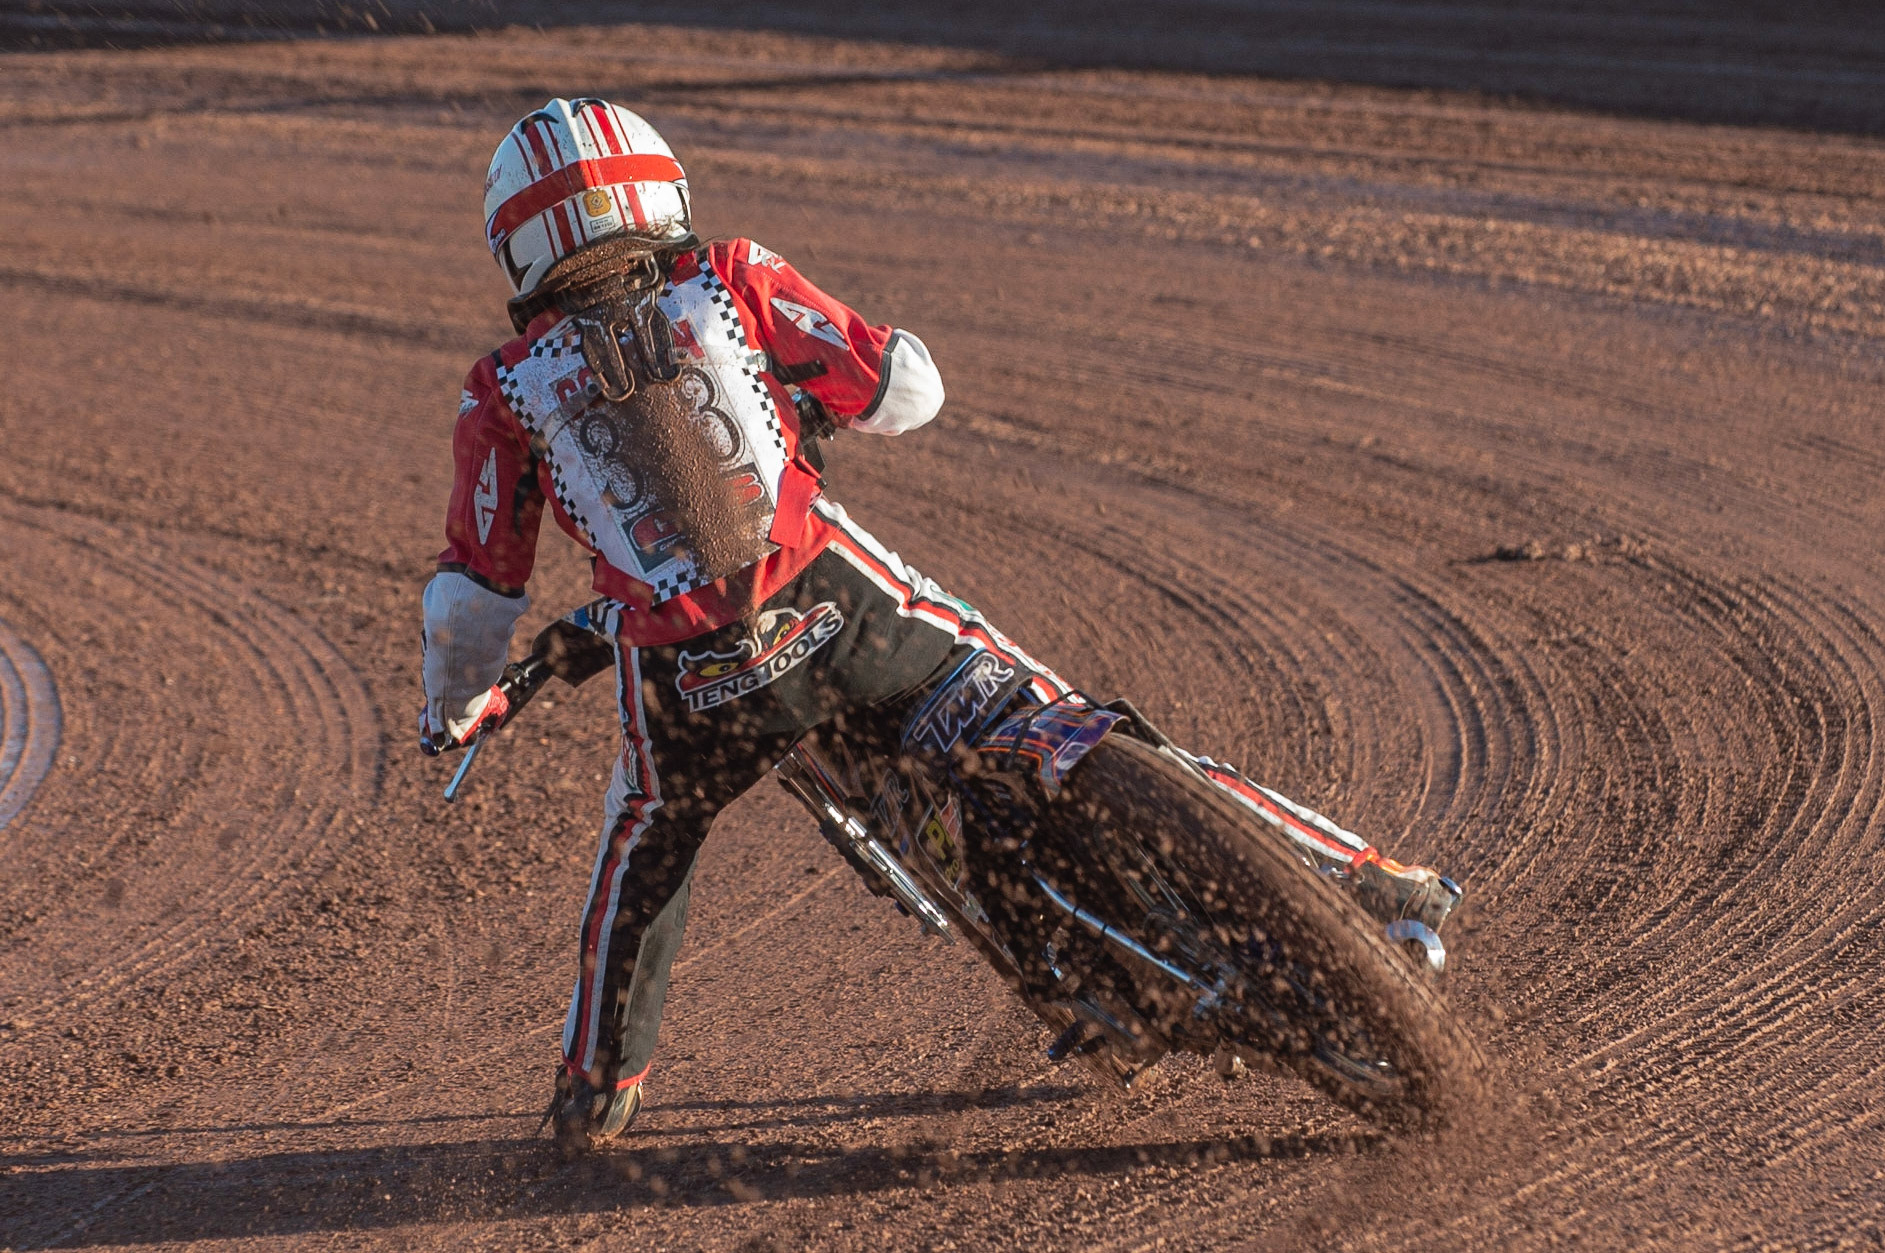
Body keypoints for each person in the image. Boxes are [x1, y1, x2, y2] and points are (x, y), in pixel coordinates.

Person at [421, 98, 1458, 1154]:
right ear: (662, 192)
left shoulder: (498, 393)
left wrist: (453, 704)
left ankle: (598, 1085)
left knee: (647, 844)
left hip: (685, 677)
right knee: (1056, 715)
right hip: (843, 604)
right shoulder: (729, 273)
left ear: (518, 244)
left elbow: (473, 594)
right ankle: (1367, 875)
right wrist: (828, 400)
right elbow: (903, 386)